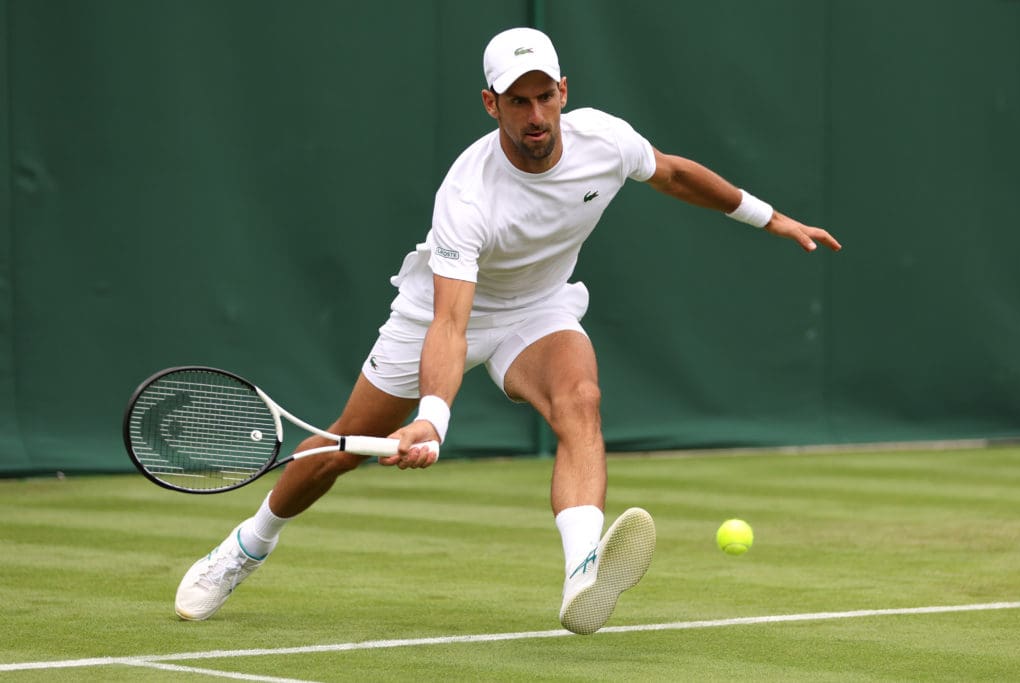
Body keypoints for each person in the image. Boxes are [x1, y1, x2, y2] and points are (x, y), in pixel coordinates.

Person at [174, 27, 842, 635]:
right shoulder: (467, 197)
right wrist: (432, 417)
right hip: (442, 312)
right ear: (490, 105)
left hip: (541, 306)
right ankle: (247, 544)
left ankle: (583, 569)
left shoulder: (604, 140)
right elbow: (451, 320)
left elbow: (670, 172)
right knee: (340, 449)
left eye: (544, 97)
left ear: (563, 93)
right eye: (516, 101)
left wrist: (771, 217)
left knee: (579, 399)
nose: (535, 115)